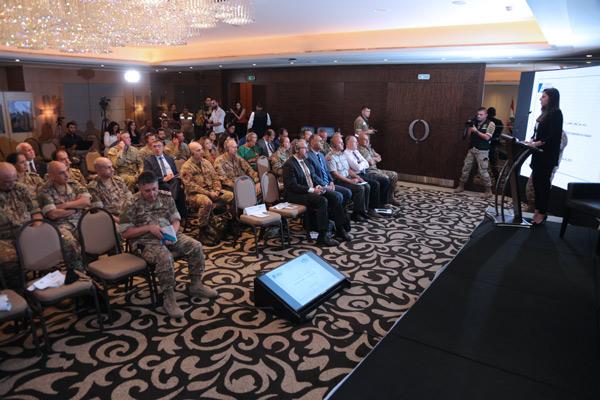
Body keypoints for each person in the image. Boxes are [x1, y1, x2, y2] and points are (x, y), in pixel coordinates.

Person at [119, 171, 218, 319]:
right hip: (145, 241)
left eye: (154, 189)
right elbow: (125, 233)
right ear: (139, 188)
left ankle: (196, 285)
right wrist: (148, 228)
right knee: (165, 257)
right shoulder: (131, 202)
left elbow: (176, 219)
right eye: (147, 191)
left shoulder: (165, 196)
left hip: (169, 234)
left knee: (195, 246)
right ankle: (169, 298)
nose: (152, 194)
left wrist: (173, 233)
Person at [282, 140, 350, 245]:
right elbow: (293, 186)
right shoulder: (289, 164)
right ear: (296, 150)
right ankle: (322, 236)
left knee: (335, 197)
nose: (307, 150)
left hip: (309, 190)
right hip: (295, 194)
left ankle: (340, 229)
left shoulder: (305, 161)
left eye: (307, 148)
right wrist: (312, 190)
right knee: (322, 201)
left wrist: (319, 186)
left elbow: (313, 176)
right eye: (304, 148)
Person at [38, 161, 90, 269]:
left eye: (66, 170)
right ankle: (78, 272)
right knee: (70, 243)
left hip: (80, 220)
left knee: (97, 231)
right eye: (61, 173)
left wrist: (65, 205)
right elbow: (53, 214)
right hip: (61, 225)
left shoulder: (74, 183)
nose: (67, 175)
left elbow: (86, 202)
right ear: (51, 176)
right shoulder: (44, 190)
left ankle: (92, 265)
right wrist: (77, 207)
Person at [181, 142, 234, 241]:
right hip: (194, 195)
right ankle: (203, 231)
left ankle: (229, 224)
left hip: (212, 191)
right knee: (206, 202)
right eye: (198, 150)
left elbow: (215, 178)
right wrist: (209, 193)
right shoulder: (186, 167)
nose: (202, 151)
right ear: (192, 153)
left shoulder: (207, 162)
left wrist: (217, 191)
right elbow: (191, 187)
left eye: (201, 149)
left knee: (230, 195)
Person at [525, 88, 563, 225]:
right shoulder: (544, 113)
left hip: (546, 157)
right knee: (536, 185)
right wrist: (531, 141)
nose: (541, 99)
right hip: (538, 155)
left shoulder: (556, 113)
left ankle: (542, 213)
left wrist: (537, 143)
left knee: (543, 186)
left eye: (544, 96)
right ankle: (537, 210)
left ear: (551, 98)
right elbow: (538, 133)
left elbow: (553, 137)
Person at [0, 163, 43, 278]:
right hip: (4, 238)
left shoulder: (21, 189)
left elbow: (36, 212)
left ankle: (46, 278)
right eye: (6, 182)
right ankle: (18, 286)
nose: (11, 184)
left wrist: (37, 230)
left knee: (57, 242)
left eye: (13, 180)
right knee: (10, 258)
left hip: (27, 231)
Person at [327, 134, 372, 222]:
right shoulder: (330, 157)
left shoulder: (342, 154)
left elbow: (348, 169)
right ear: (334, 145)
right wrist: (350, 181)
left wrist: (357, 177)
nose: (343, 144)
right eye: (340, 143)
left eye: (342, 142)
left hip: (347, 178)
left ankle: (363, 211)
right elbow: (335, 174)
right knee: (360, 188)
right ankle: (356, 214)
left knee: (366, 186)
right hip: (339, 181)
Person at [454, 107, 495, 197]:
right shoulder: (474, 122)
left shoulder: (490, 124)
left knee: (483, 171)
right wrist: (469, 127)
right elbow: (468, 135)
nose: (479, 116)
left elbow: (487, 137)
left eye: (481, 114)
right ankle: (461, 186)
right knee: (466, 167)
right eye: (478, 114)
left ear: (486, 115)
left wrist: (476, 131)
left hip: (482, 150)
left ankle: (488, 191)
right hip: (472, 148)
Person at [525, 130, 568, 212]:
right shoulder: (546, 133)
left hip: (548, 168)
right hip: (539, 165)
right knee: (531, 187)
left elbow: (555, 148)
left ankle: (538, 213)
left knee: (539, 190)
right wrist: (532, 142)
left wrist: (537, 144)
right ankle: (532, 210)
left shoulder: (561, 134)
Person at [344, 135, 390, 210]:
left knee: (384, 180)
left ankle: (381, 204)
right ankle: (372, 208)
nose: (357, 143)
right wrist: (363, 163)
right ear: (348, 143)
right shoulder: (346, 154)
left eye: (356, 141)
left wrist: (362, 164)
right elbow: (358, 167)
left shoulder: (356, 151)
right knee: (375, 184)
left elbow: (366, 162)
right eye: (355, 142)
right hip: (357, 175)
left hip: (364, 172)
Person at [143, 140, 187, 218]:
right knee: (175, 189)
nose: (157, 148)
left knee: (177, 182)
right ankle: (178, 213)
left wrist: (173, 176)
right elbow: (149, 176)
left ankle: (180, 214)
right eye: (154, 146)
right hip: (160, 182)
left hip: (173, 180)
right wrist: (162, 179)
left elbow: (175, 172)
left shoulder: (169, 159)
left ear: (163, 147)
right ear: (152, 149)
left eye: (159, 146)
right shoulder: (148, 161)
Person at [307, 134, 352, 206]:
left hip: (328, 184)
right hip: (319, 186)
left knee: (347, 192)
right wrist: (325, 185)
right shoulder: (308, 156)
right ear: (312, 142)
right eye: (320, 141)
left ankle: (339, 211)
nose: (322, 142)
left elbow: (327, 171)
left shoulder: (321, 155)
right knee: (338, 196)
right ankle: (337, 212)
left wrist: (331, 181)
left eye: (322, 141)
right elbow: (313, 176)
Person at [358, 133, 400, 206]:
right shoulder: (360, 150)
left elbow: (379, 157)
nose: (367, 141)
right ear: (359, 140)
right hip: (368, 171)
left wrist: (374, 159)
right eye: (365, 139)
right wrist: (374, 159)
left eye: (368, 139)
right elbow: (370, 162)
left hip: (375, 169)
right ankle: (383, 200)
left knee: (394, 175)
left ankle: (390, 197)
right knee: (385, 178)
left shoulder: (369, 148)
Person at [88, 157, 134, 222]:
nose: (112, 169)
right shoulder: (93, 187)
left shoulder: (118, 180)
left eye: (112, 166)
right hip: (112, 219)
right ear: (98, 169)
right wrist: (119, 220)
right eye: (108, 167)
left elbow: (129, 196)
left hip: (127, 213)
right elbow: (100, 211)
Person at [487, 107, 504, 186]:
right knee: (493, 164)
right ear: (495, 113)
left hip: (485, 144)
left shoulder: (485, 121)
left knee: (478, 163)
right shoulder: (499, 122)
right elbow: (498, 134)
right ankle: (498, 182)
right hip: (494, 145)